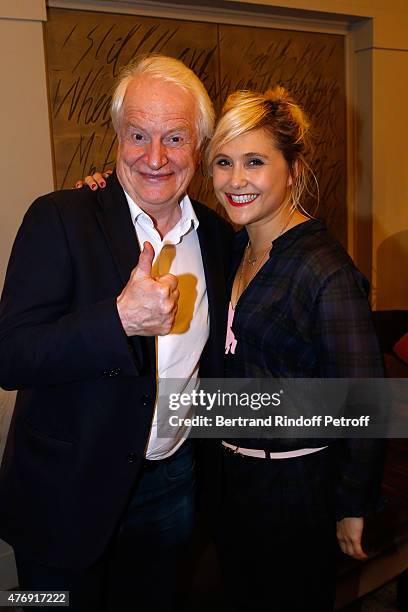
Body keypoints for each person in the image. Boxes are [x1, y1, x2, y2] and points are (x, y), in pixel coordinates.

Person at [0, 54, 233, 611]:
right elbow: (10, 356)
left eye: (175, 138)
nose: (155, 158)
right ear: (117, 138)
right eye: (138, 135)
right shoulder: (59, 217)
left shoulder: (220, 240)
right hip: (65, 494)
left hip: (172, 483)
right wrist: (118, 319)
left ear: (198, 148)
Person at [204, 87, 386, 611]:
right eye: (223, 162)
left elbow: (364, 399)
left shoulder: (322, 269)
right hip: (232, 479)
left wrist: (353, 504)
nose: (235, 180)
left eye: (254, 161)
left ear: (293, 169)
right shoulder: (236, 246)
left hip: (295, 488)